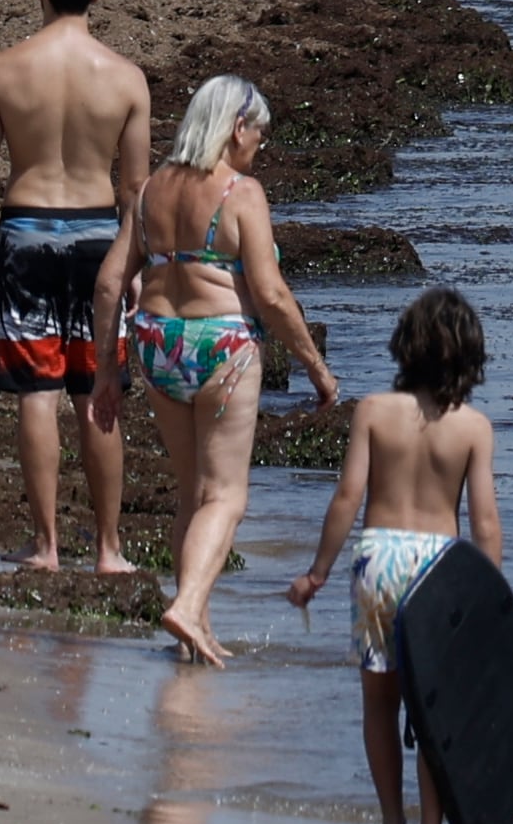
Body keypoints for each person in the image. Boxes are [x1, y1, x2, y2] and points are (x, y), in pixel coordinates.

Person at [90, 75, 340, 665]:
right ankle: (187, 603)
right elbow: (272, 295)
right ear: (235, 128)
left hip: (155, 342)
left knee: (192, 493)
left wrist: (107, 369)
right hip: (221, 345)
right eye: (259, 132)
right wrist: (315, 367)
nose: (261, 145)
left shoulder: (150, 189)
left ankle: (194, 628)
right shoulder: (241, 193)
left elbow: (107, 284)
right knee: (226, 496)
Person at [285, 287, 502, 824]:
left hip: (380, 560)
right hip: (441, 567)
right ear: (470, 355)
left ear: (405, 347)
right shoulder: (473, 428)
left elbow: (347, 496)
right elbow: (484, 522)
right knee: (436, 708)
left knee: (380, 704)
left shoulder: (374, 411)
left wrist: (317, 573)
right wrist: (488, 598)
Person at [0, 0, 150, 577]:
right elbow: (135, 190)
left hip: (28, 232)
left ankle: (45, 545)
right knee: (98, 393)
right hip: (101, 235)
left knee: (37, 394)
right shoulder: (127, 80)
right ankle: (108, 548)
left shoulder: (1, 72)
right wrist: (133, 264)